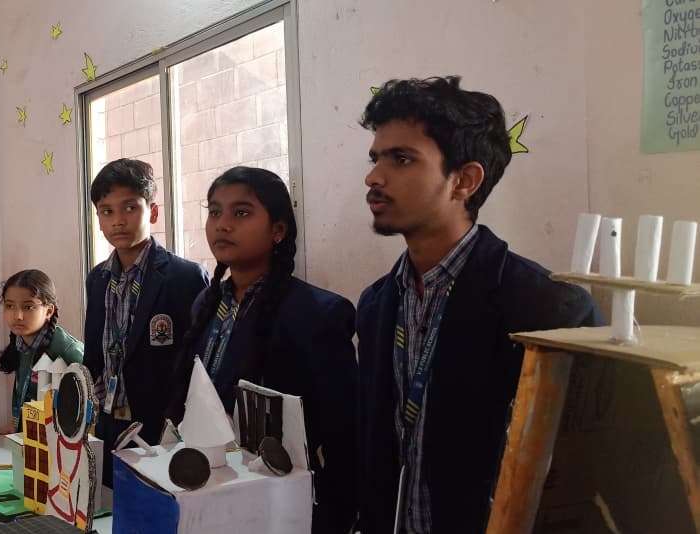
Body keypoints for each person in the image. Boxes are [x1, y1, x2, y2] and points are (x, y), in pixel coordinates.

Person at [355, 76, 602, 533]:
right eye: (375, 158)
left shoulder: (550, 310)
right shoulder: (375, 304)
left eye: (401, 159)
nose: (374, 177)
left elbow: (582, 479)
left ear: (464, 181)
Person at [171, 166, 358, 532]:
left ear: (278, 230)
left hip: (277, 506)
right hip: (206, 495)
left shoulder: (317, 313)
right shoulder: (205, 304)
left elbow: (344, 439)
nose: (223, 225)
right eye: (214, 212)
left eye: (241, 213)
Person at [83, 158, 209, 487]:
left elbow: (199, 363)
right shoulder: (97, 279)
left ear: (152, 212)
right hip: (107, 423)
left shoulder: (185, 277)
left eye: (129, 208)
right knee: (110, 502)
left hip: (161, 428)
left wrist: (180, 422)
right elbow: (93, 354)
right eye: (107, 211)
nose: (118, 220)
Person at [0, 269, 83, 435]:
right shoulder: (20, 343)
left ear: (49, 311)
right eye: (9, 306)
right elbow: (24, 394)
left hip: (60, 441)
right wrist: (15, 425)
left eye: (28, 307)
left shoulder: (68, 351)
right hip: (30, 437)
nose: (17, 316)